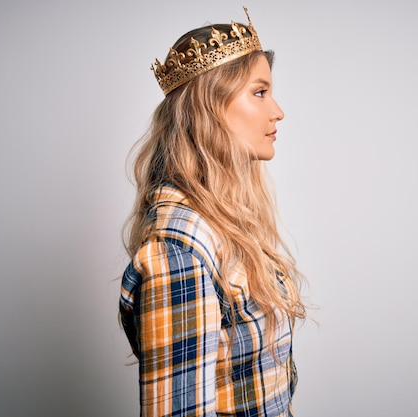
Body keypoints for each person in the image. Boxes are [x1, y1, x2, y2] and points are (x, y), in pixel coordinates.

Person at [119, 7, 307, 416]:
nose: (278, 110)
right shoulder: (179, 252)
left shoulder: (226, 223)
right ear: (210, 108)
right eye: (259, 92)